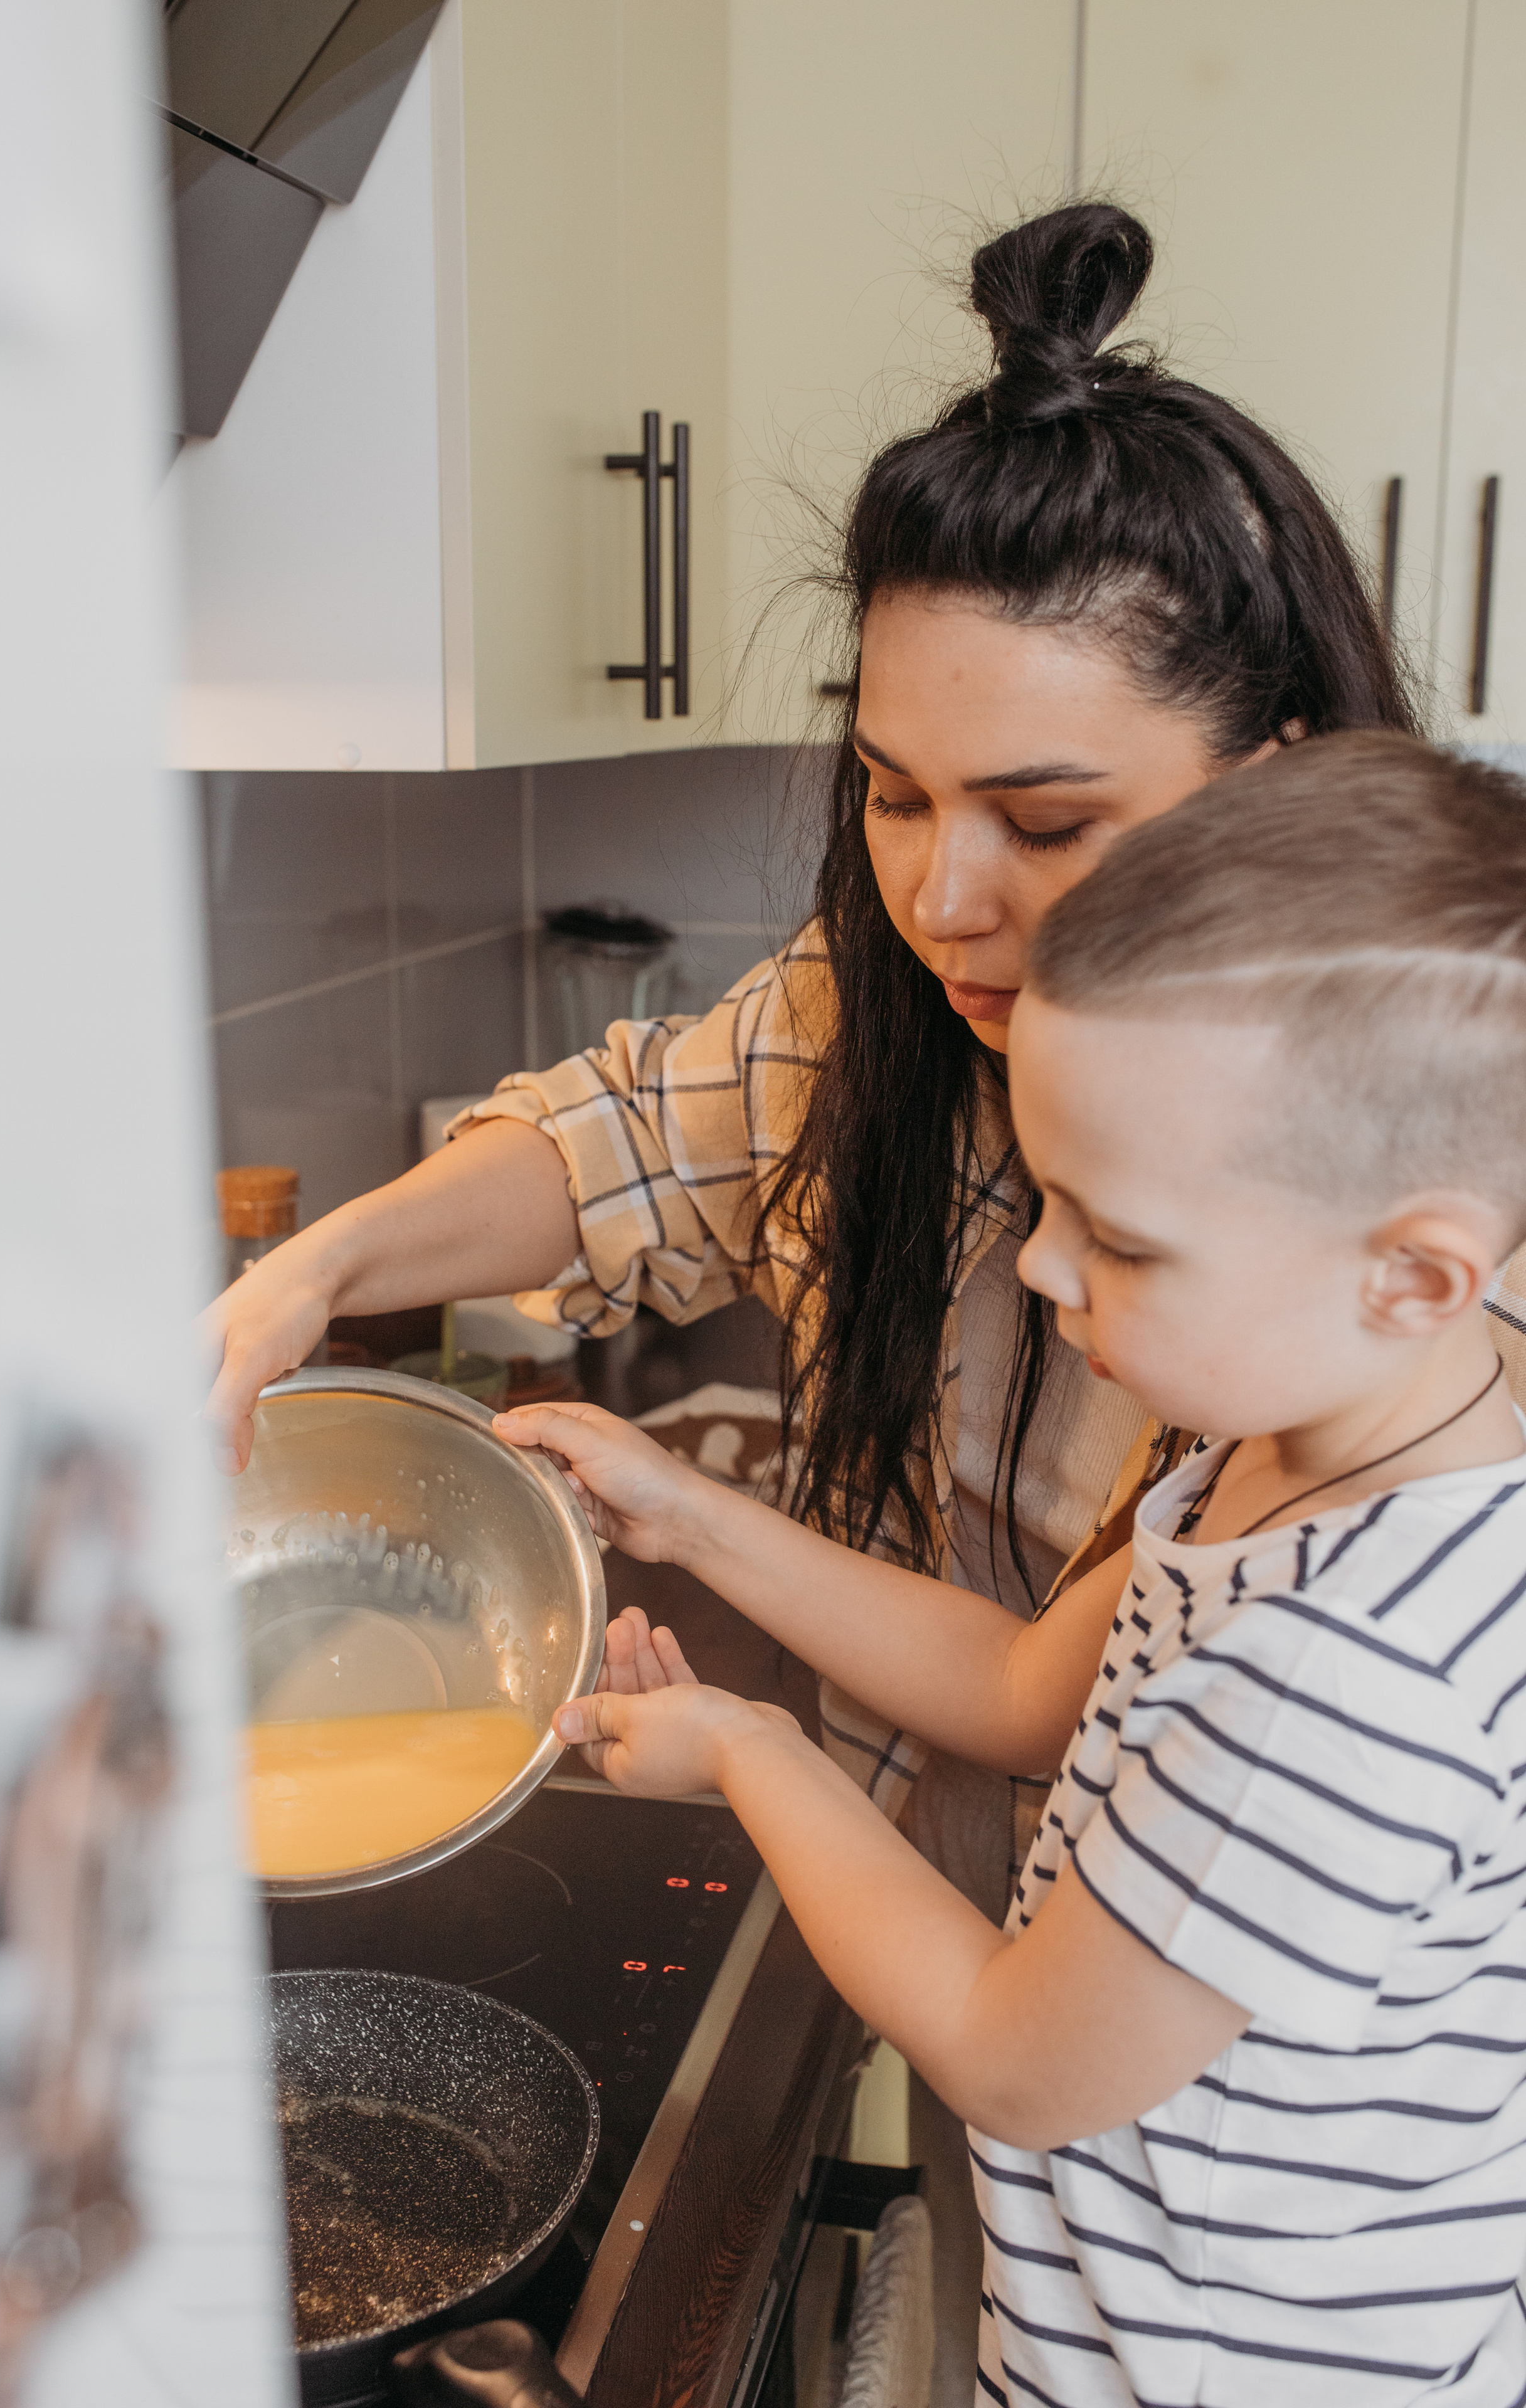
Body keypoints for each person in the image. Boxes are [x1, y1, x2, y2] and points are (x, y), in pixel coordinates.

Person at [202, 199, 1526, 1919]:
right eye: (893, 794)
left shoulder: (1425, 1232)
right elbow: (619, 1150)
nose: (940, 899)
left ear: (1276, 784)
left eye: (1046, 821)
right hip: (945, 1924)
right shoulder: (878, 1016)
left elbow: (1071, 1886)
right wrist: (307, 1280)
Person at [497, 733, 1526, 2405]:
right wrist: (686, 1511)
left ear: (1412, 1274)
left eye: (1120, 1237)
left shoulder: (1341, 1677)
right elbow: (1022, 1690)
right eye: (1052, 1197)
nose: (1045, 1264)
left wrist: (752, 1754)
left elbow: (1012, 2053)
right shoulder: (1297, 1456)